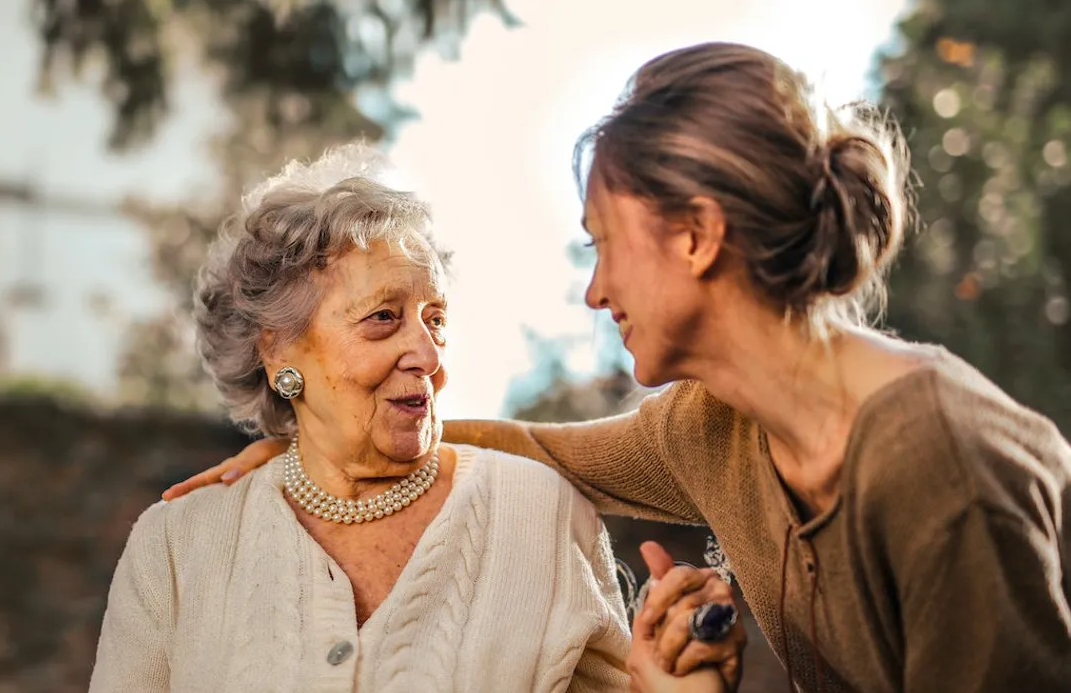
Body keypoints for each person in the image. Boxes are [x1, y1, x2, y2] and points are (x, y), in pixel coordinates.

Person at [162, 43, 1071, 693]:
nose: (594, 292)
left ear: (695, 235)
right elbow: (536, 451)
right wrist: (320, 446)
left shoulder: (938, 466)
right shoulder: (711, 426)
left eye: (603, 246)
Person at [89, 144, 740, 693]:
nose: (427, 356)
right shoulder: (177, 547)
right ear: (278, 348)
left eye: (435, 320)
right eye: (382, 319)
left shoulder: (538, 514)